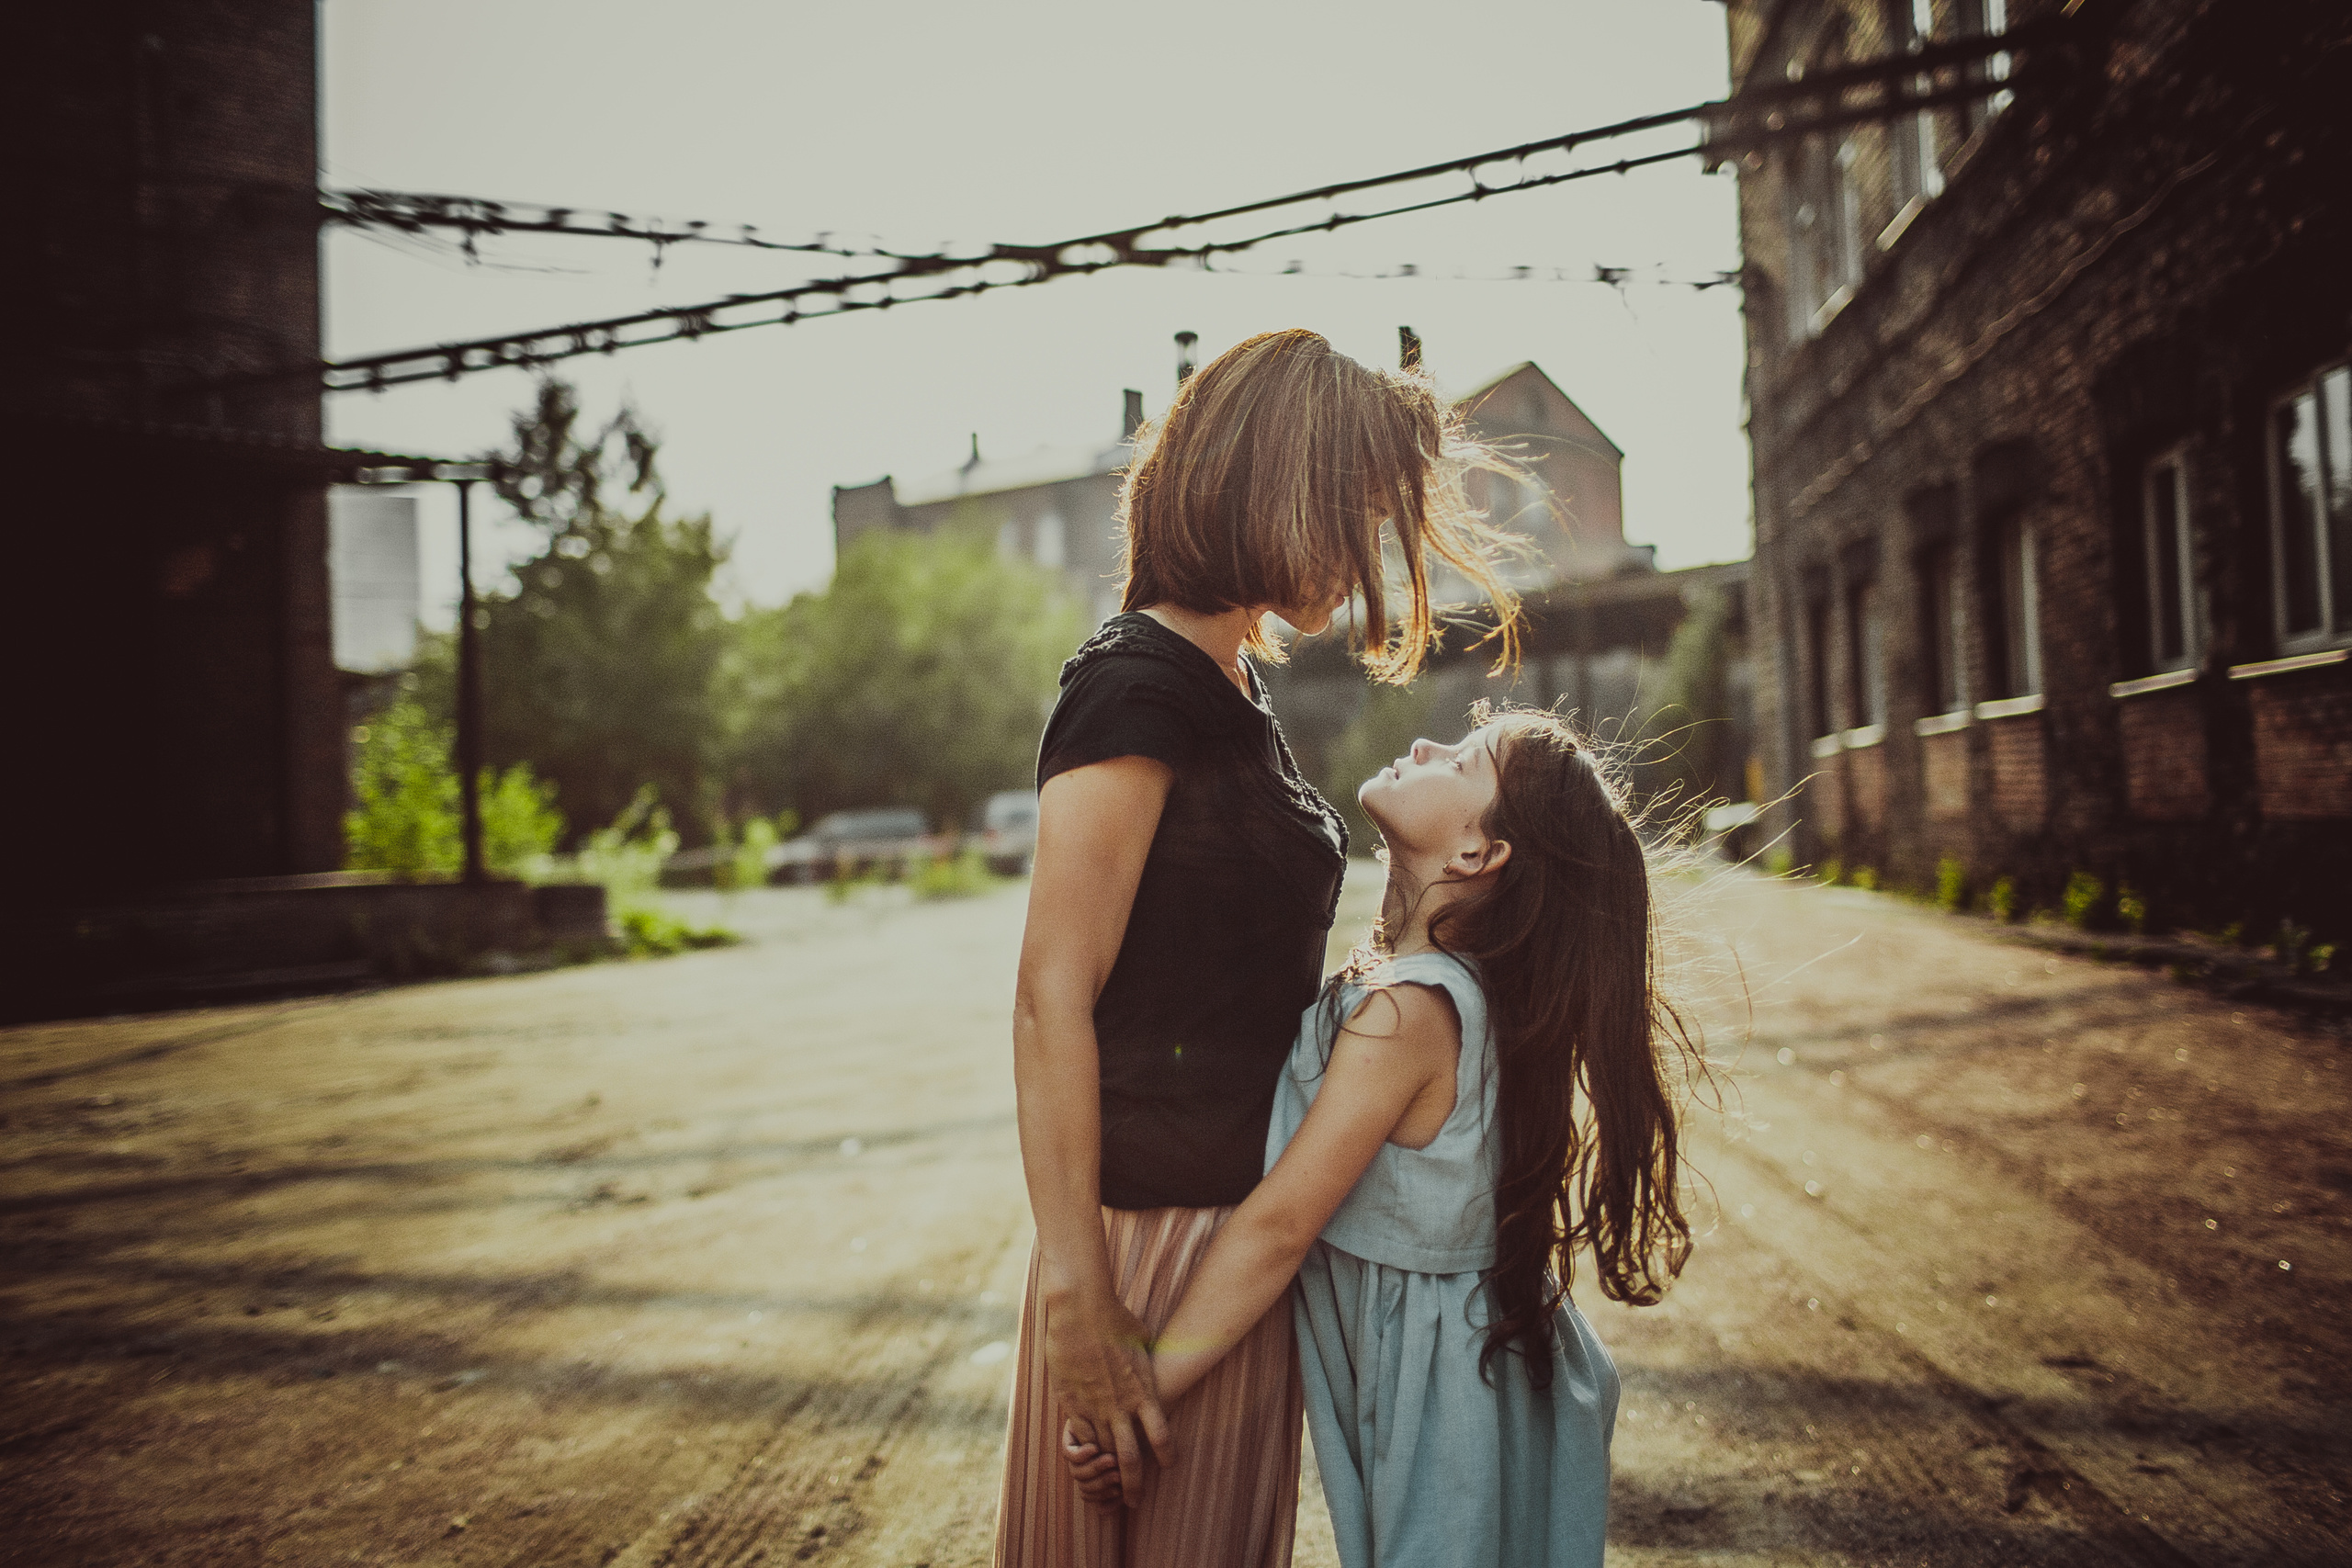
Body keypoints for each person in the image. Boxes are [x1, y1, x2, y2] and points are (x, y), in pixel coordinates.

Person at [995, 328, 1519, 1568]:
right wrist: (1078, 1292)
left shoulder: (1235, 691)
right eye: (1352, 512)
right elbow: (1049, 993)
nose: (1364, 551)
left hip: (1226, 1249)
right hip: (1142, 1243)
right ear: (1274, 487)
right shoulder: (1137, 683)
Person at [1064, 706, 1701, 1568]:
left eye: (1466, 758)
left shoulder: (1409, 1014)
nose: (1429, 744)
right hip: (1468, 1376)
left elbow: (1278, 1225)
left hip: (1443, 1396)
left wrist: (1139, 1396)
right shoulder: (1423, 990)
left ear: (1478, 853)